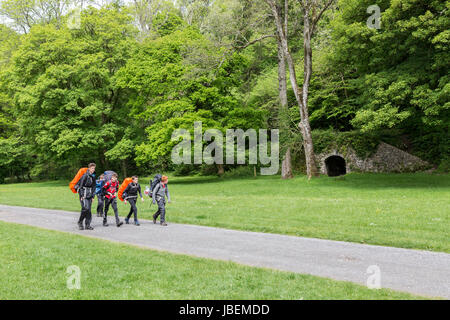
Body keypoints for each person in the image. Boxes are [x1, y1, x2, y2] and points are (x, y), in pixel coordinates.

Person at [76, 163, 96, 230]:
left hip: (89, 194)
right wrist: (81, 195)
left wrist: (93, 196)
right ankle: (80, 222)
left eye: (94, 168)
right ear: (89, 168)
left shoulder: (93, 177)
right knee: (85, 208)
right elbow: (81, 186)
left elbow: (94, 187)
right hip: (83, 194)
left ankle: (87, 225)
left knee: (89, 210)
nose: (93, 169)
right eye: (92, 168)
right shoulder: (85, 176)